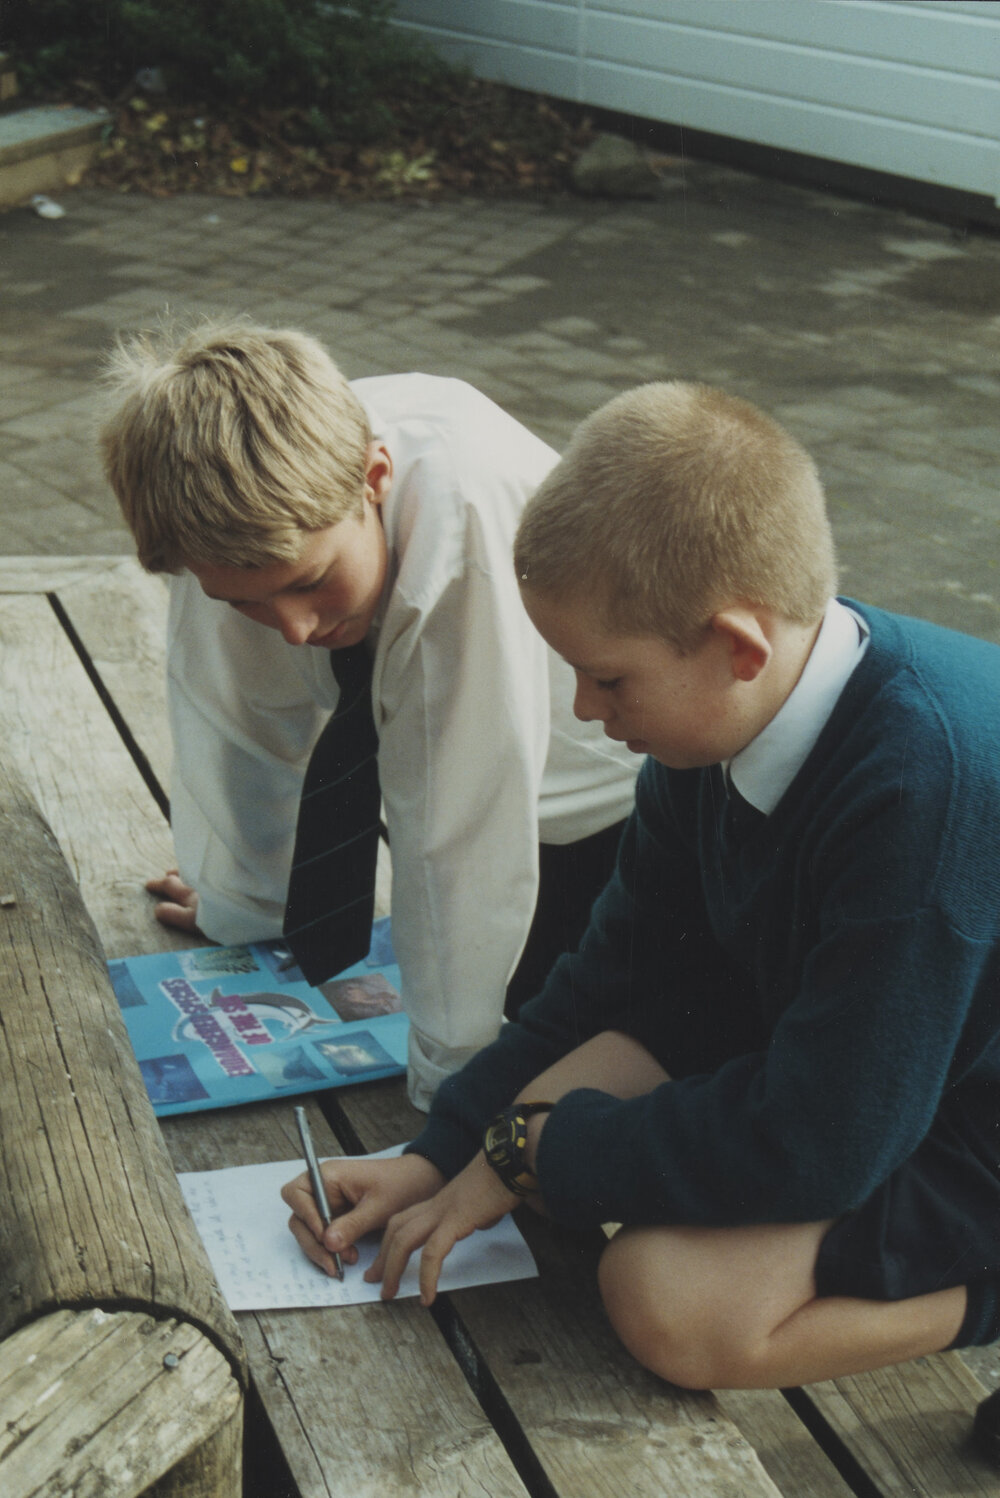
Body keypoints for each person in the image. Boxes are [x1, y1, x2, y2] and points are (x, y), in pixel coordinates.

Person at [283, 380, 1000, 1391]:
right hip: (876, 1059)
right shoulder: (707, 732)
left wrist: (538, 1154)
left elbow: (819, 1143)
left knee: (666, 1296)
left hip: (968, 1113)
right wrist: (445, 1148)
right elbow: (609, 981)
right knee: (595, 1059)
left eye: (607, 679)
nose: (582, 706)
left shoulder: (925, 794)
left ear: (735, 646)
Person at [99, 320, 639, 1110]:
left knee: (540, 1051)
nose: (291, 628)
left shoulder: (464, 523)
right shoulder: (225, 513)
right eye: (243, 601)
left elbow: (457, 832)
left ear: (373, 476)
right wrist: (242, 906)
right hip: (458, 777)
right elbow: (235, 720)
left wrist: (448, 1088)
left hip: (604, 809)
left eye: (310, 583)